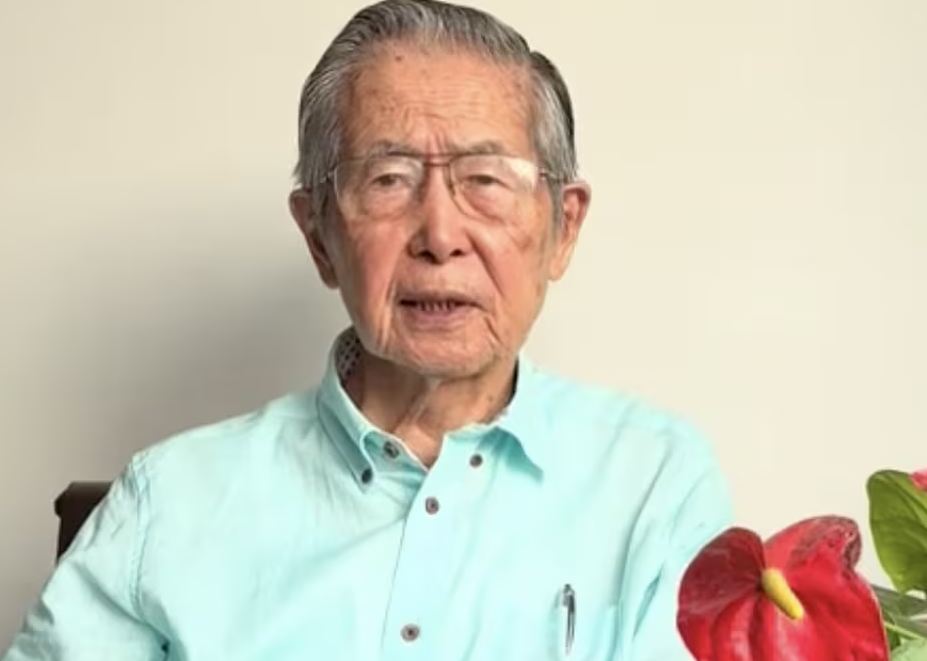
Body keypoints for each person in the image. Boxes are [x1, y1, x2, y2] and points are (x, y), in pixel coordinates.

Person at [3, 0, 731, 659]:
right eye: (388, 179)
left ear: (562, 229)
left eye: (485, 179)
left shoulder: (652, 479)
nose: (439, 235)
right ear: (319, 236)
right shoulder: (169, 502)